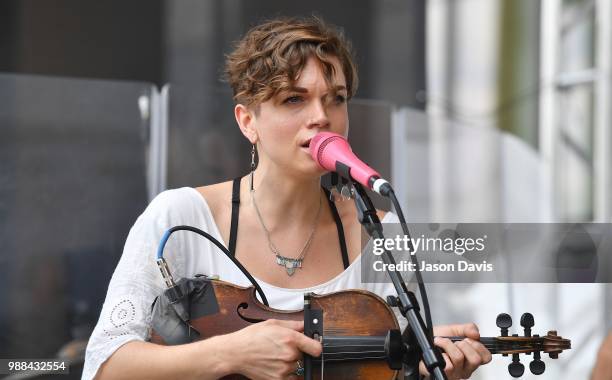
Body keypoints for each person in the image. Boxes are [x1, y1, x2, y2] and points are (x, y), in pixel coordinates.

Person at [83, 17, 491, 380]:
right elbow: (106, 366)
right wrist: (229, 354)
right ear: (248, 122)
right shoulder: (179, 217)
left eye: (336, 98)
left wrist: (433, 370)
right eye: (294, 99)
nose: (321, 116)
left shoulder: (378, 233)